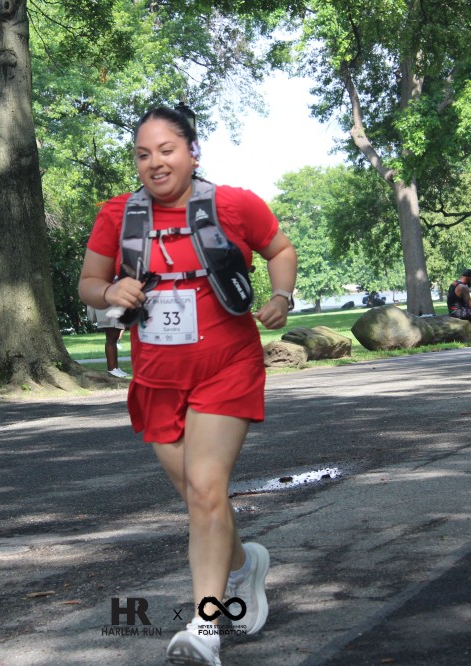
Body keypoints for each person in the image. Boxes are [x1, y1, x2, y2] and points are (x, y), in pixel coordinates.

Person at [78, 106, 297, 666]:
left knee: (204, 487)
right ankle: (244, 564)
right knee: (201, 496)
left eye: (166, 150)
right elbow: (89, 283)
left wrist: (281, 296)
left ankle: (205, 628)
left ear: (192, 152)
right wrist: (111, 293)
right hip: (157, 379)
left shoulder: (234, 205)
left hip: (227, 367)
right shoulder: (118, 215)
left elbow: (280, 249)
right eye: (143, 154)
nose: (154, 162)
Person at [86, 305, 129, 378]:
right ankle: (112, 369)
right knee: (111, 337)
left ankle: (115, 368)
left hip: (114, 307)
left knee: (114, 337)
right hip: (107, 308)